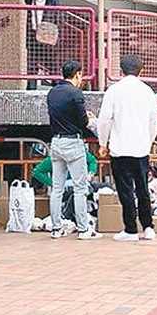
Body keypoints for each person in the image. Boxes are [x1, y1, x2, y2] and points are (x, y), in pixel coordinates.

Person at [98, 54, 157, 242]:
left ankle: (130, 229)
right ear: (142, 70)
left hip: (120, 147)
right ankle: (148, 227)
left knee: (125, 190)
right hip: (141, 148)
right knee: (143, 189)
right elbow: (153, 121)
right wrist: (148, 142)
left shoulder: (114, 90)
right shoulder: (148, 91)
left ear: (121, 70)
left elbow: (104, 120)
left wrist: (103, 143)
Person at [46, 60, 101, 239]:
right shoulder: (75, 93)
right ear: (77, 74)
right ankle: (84, 229)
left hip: (56, 142)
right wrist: (91, 118)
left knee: (57, 188)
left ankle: (56, 229)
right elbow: (83, 121)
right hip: (73, 142)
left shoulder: (52, 92)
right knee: (80, 187)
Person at [25, 0, 63, 90]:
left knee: (53, 66)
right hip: (33, 36)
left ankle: (56, 90)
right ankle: (31, 90)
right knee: (31, 66)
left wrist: (56, 37)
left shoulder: (54, 1)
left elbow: (60, 20)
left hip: (49, 37)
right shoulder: (29, 1)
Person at [32, 150, 98, 186]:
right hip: (65, 188)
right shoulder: (54, 157)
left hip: (82, 184)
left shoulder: (81, 151)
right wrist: (52, 183)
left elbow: (93, 161)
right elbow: (36, 171)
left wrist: (90, 174)